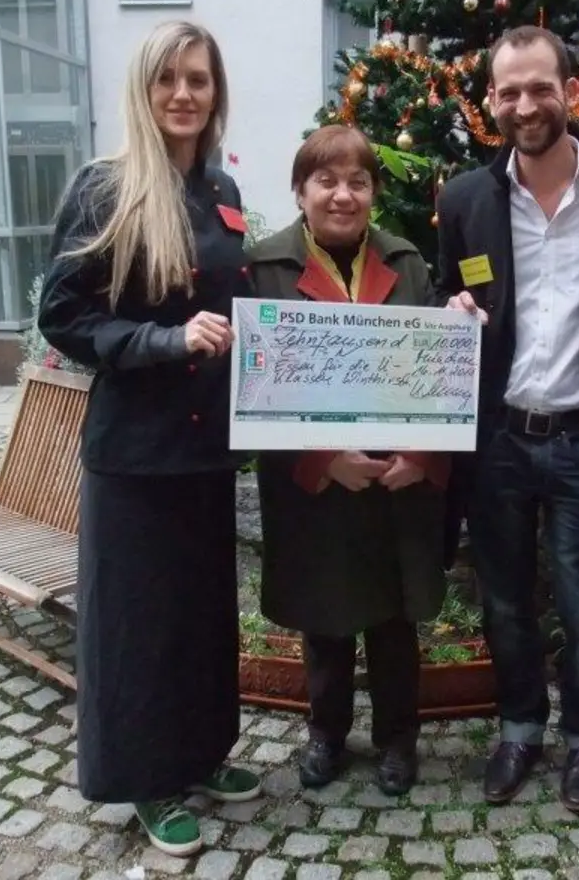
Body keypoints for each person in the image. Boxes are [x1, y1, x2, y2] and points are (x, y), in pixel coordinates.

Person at [36, 20, 260, 858]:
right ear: (144, 88)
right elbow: (62, 316)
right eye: (167, 78)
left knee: (201, 616)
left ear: (215, 91)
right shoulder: (104, 189)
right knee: (137, 626)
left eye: (198, 79)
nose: (183, 94)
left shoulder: (222, 192)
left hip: (205, 448)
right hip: (134, 452)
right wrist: (163, 343)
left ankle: (201, 755)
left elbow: (242, 309)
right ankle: (144, 778)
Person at [436, 26, 579, 813]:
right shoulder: (465, 198)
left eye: (541, 87)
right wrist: (453, 305)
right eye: (510, 91)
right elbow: (452, 294)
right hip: (500, 437)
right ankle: (517, 728)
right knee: (503, 598)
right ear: (491, 102)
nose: (526, 104)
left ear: (571, 89)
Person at [247, 125, 451, 796]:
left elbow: (438, 371)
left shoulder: (408, 262)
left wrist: (420, 457)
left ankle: (398, 740)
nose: (342, 195)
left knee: (395, 624)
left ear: (373, 192)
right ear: (300, 191)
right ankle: (327, 735)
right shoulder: (263, 269)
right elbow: (254, 387)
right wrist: (324, 460)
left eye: (357, 182)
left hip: (396, 481)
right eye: (326, 181)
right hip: (317, 485)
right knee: (325, 619)